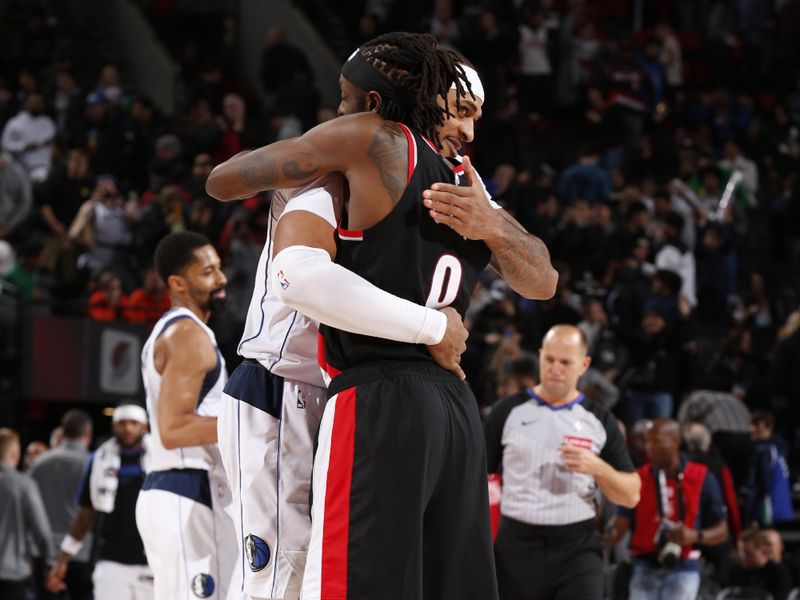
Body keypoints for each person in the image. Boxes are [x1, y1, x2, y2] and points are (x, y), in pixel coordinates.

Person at [207, 33, 558, 600]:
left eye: (476, 116)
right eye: (463, 112)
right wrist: (440, 321)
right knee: (296, 579)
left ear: (370, 104)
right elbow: (543, 279)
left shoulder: (434, 173)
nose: (470, 133)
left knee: (341, 580)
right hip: (302, 385)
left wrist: (491, 226)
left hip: (370, 392)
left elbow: (228, 189)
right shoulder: (377, 161)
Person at [484, 325, 640, 600]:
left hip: (577, 548)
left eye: (566, 362)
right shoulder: (506, 411)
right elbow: (476, 478)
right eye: (549, 359)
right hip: (516, 547)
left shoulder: (599, 420)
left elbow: (631, 494)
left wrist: (597, 467)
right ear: (541, 356)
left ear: (584, 364)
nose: (555, 368)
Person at [135, 232, 240, 600]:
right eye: (208, 272)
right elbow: (174, 429)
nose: (222, 279)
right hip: (187, 489)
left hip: (182, 490)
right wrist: (248, 423)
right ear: (178, 284)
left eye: (219, 268)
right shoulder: (188, 336)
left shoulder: (184, 331)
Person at [610, 419, 729, 600]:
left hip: (685, 566)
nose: (649, 447)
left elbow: (722, 531)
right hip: (644, 566)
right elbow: (617, 529)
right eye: (647, 441)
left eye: (656, 441)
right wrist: (598, 529)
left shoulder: (702, 476)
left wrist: (695, 535)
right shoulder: (638, 478)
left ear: (675, 441)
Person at [46, 404, 152, 600]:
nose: (128, 428)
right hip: (110, 560)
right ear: (113, 426)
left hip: (153, 560)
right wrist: (63, 559)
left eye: (134, 423)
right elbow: (86, 513)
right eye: (122, 423)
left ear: (144, 426)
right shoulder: (98, 460)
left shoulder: (163, 460)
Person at [28, 409, 94, 600]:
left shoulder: (39, 463)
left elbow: (27, 512)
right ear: (88, 433)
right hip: (82, 554)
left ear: (63, 433)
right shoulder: (93, 465)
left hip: (45, 554)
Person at [0, 428, 52, 600]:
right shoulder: (23, 485)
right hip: (12, 573)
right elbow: (41, 531)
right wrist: (50, 562)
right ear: (15, 453)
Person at [743, 410, 793, 527]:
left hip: (766, 509)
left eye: (756, 425)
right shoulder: (779, 448)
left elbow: (763, 483)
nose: (752, 429)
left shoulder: (764, 450)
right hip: (781, 507)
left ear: (769, 426)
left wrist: (753, 514)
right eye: (751, 424)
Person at [725, 528, 793, 600]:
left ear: (764, 551)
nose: (743, 557)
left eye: (748, 553)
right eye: (741, 552)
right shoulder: (736, 572)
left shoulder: (778, 573)